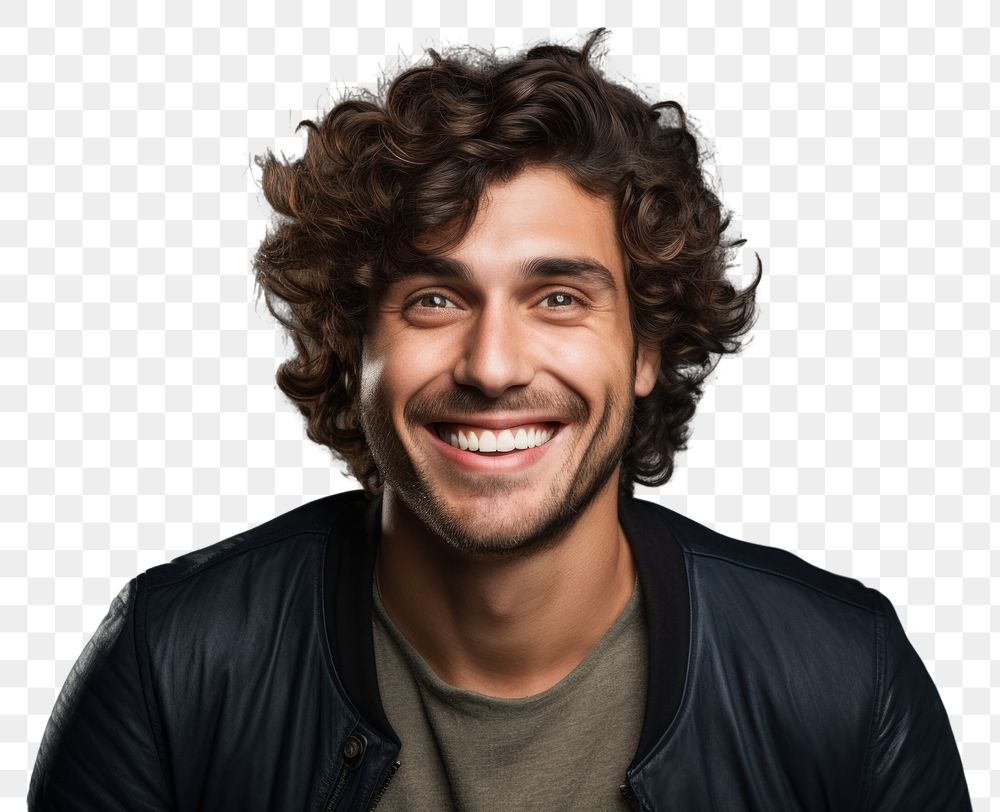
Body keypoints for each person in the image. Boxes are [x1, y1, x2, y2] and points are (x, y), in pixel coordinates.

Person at [29, 30, 970, 811]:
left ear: (646, 349)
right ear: (355, 345)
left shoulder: (845, 684)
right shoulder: (173, 667)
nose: (492, 366)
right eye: (434, 300)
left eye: (559, 298)